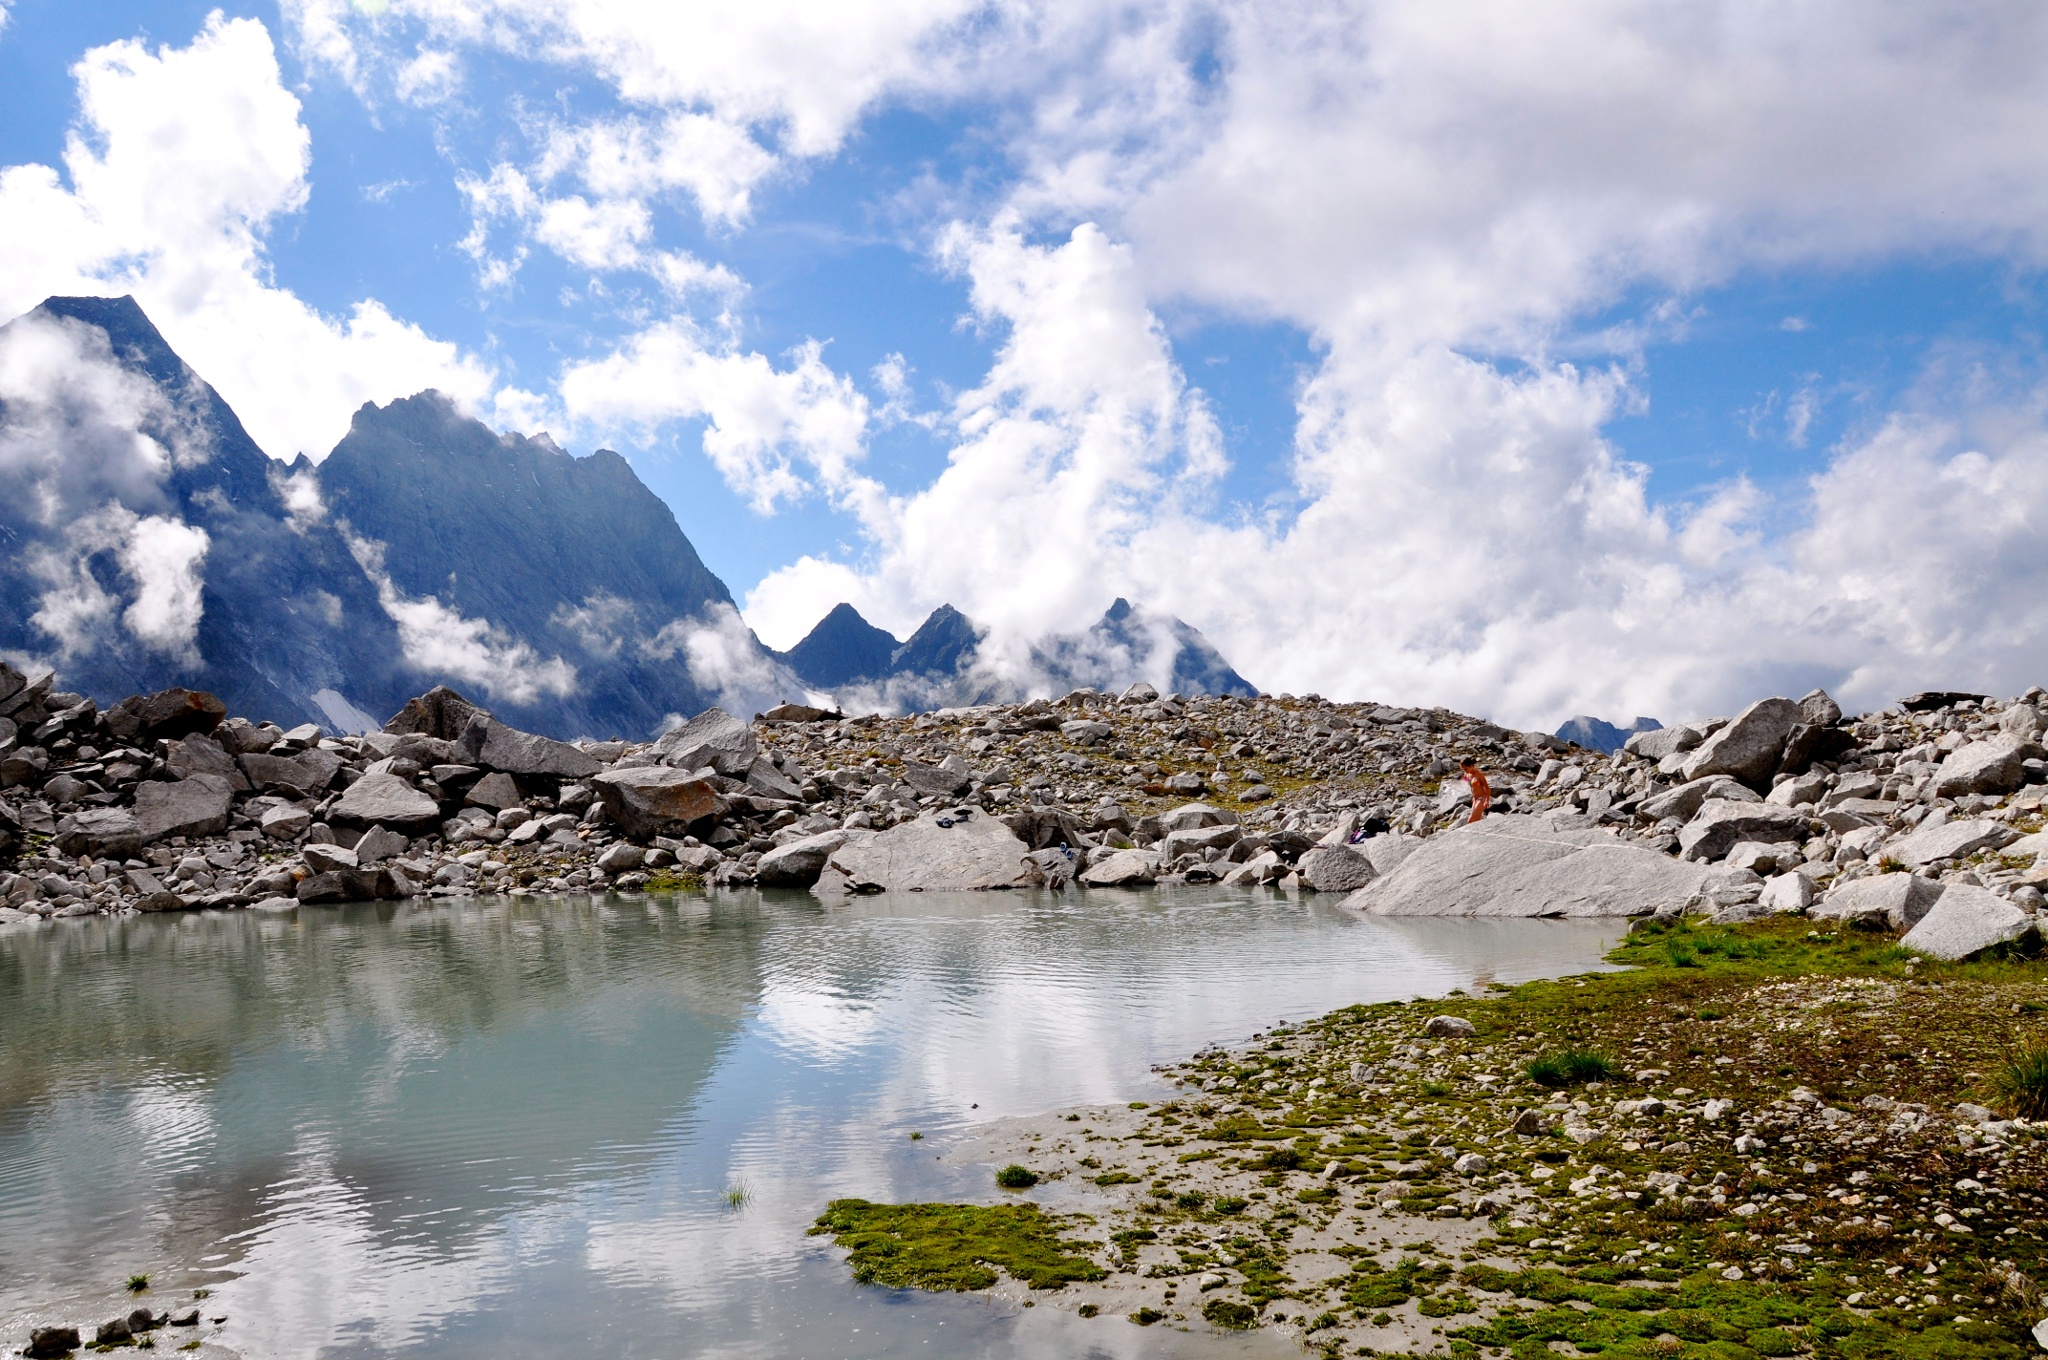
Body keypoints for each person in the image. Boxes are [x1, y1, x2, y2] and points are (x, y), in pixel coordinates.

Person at [1459, 757, 1491, 823]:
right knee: (1476, 820)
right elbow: (1467, 781)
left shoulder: (1479, 774)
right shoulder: (1467, 774)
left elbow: (1487, 788)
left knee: (1470, 820)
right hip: (1474, 799)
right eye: (1463, 769)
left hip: (1481, 798)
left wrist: (1487, 800)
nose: (1465, 771)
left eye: (1466, 769)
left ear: (1471, 766)